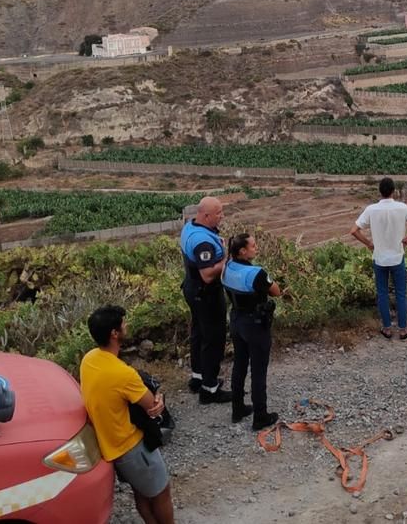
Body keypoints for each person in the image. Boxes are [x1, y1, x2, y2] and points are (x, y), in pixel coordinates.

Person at [80, 306, 175, 524]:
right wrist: (159, 397)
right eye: (123, 323)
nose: (127, 325)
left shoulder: (90, 359)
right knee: (161, 493)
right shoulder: (123, 374)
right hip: (132, 447)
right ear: (114, 333)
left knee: (141, 492)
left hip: (111, 446)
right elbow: (151, 405)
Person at [351, 177, 407, 340]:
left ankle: (386, 328)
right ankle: (403, 329)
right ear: (393, 191)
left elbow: (354, 230)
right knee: (401, 294)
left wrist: (369, 244)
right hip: (397, 258)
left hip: (379, 258)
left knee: (382, 293)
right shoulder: (402, 208)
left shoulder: (371, 209)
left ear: (380, 191)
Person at [222, 233, 282, 430]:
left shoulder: (227, 267)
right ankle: (260, 416)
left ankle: (237, 408)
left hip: (236, 320)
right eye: (253, 246)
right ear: (243, 251)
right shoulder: (256, 273)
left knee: (239, 364)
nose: (256, 249)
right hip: (255, 324)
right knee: (258, 371)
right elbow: (276, 291)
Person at [179, 196, 231, 404]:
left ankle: (198, 377)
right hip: (206, 293)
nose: (222, 216)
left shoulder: (189, 228)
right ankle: (210, 389)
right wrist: (227, 261)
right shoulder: (203, 243)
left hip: (192, 289)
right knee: (214, 338)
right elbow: (208, 274)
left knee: (199, 332)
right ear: (206, 215)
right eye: (218, 213)